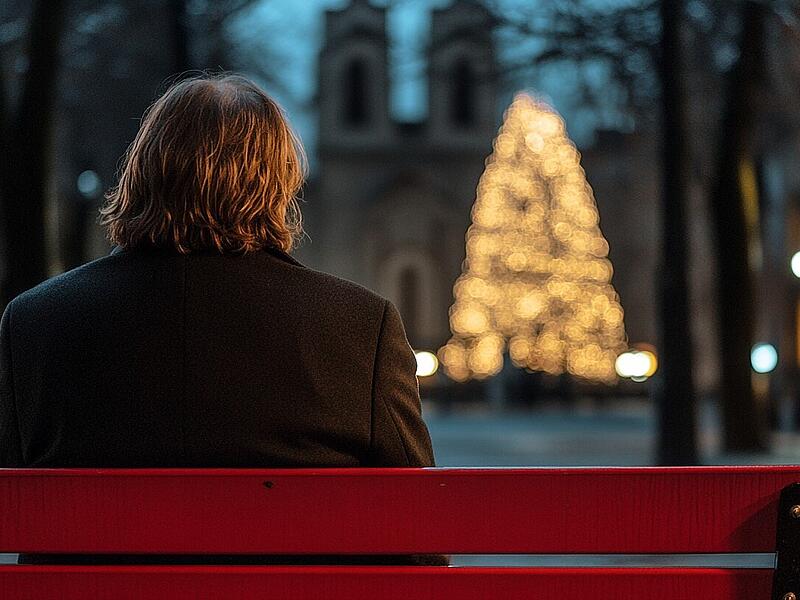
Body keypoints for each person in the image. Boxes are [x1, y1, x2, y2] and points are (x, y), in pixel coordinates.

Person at [0, 73, 444, 565]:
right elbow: (419, 540)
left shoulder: (34, 322)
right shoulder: (361, 327)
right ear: (278, 184)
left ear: (143, 172)